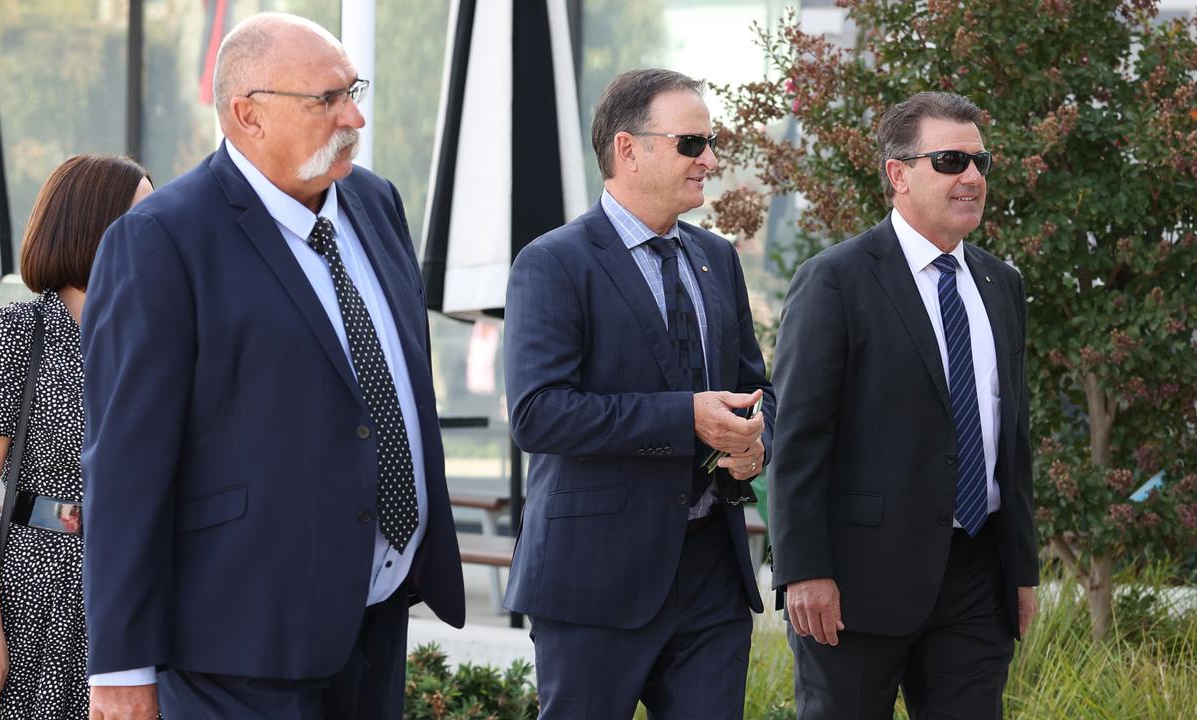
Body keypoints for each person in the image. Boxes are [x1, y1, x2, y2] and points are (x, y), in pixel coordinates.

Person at [80, 12, 465, 720]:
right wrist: (122, 666)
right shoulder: (162, 239)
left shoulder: (377, 204)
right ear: (247, 115)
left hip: (375, 614)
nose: (354, 116)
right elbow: (125, 466)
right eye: (327, 99)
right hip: (237, 642)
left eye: (354, 90)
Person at [503, 68, 774, 718]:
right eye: (691, 144)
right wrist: (689, 420)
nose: (709, 159)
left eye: (711, 143)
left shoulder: (718, 258)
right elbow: (538, 415)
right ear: (628, 149)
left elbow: (753, 387)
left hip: (713, 570)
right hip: (593, 579)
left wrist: (754, 439)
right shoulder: (553, 262)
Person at [769, 91, 1039, 719]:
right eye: (949, 160)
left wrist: (1020, 571)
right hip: (857, 585)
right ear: (898, 174)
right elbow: (799, 439)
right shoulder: (835, 280)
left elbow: (1013, 439)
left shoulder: (1003, 285)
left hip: (977, 577)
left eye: (980, 162)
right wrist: (803, 570)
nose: (971, 177)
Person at [0, 154, 152, 720]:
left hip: (130, 589)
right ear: (93, 227)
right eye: (140, 217)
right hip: (28, 595)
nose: (156, 232)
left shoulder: (156, 339)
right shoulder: (13, 332)